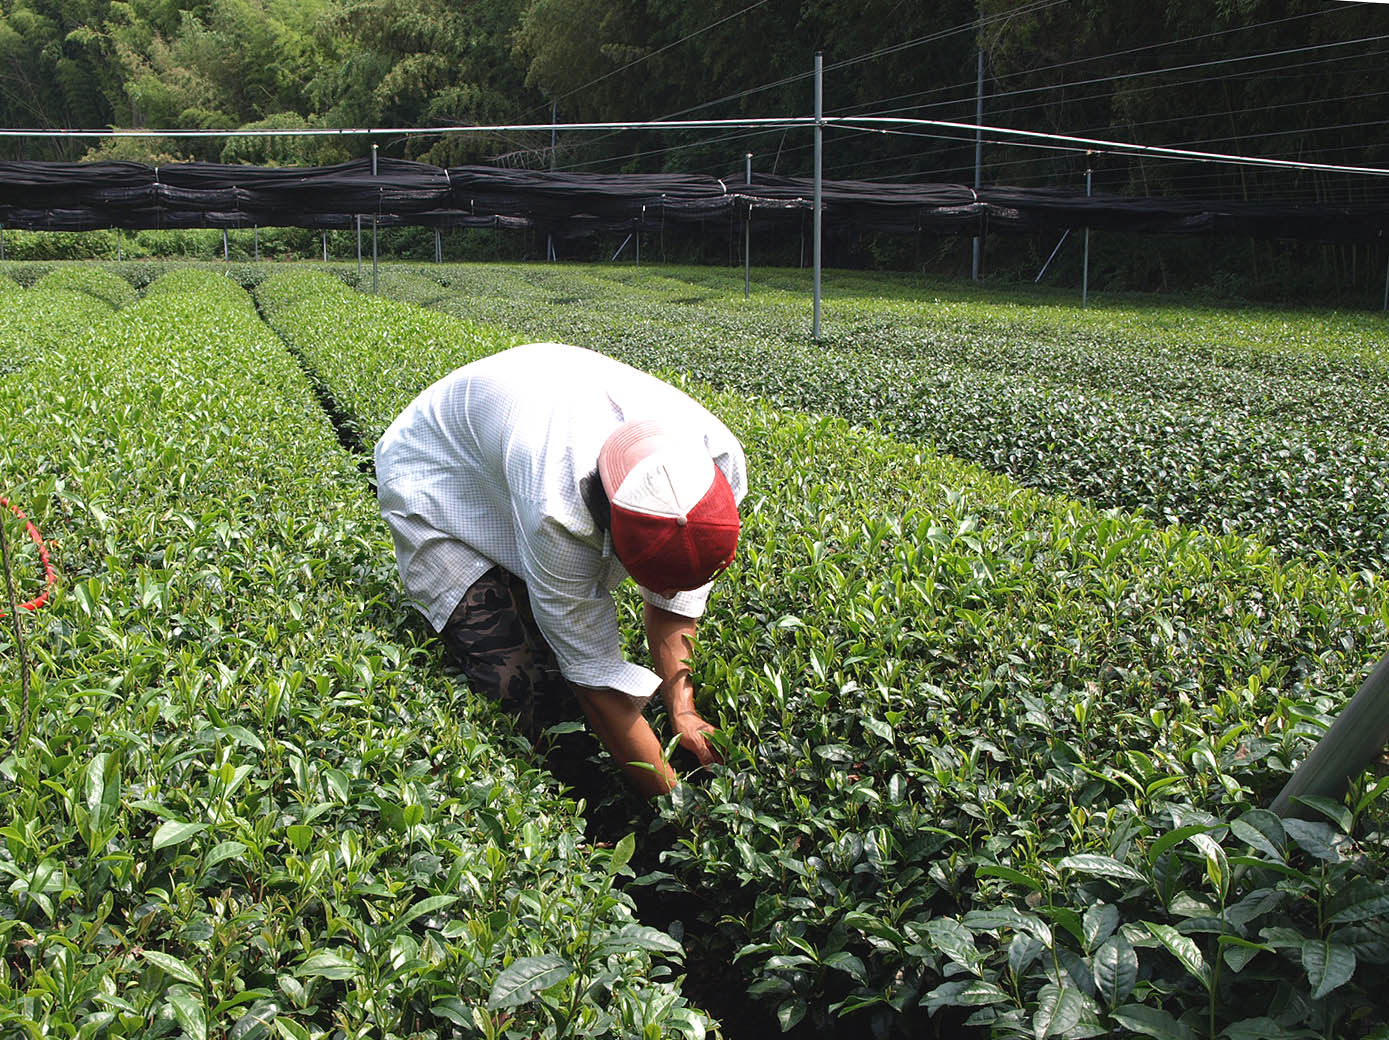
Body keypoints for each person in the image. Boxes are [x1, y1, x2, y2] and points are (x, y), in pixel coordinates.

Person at [374, 342, 746, 798]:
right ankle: (583, 804)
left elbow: (674, 601)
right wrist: (684, 814)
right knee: (523, 684)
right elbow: (594, 679)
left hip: (522, 426)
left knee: (552, 648)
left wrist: (682, 708)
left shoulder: (716, 459)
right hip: (436, 472)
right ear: (607, 531)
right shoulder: (559, 509)